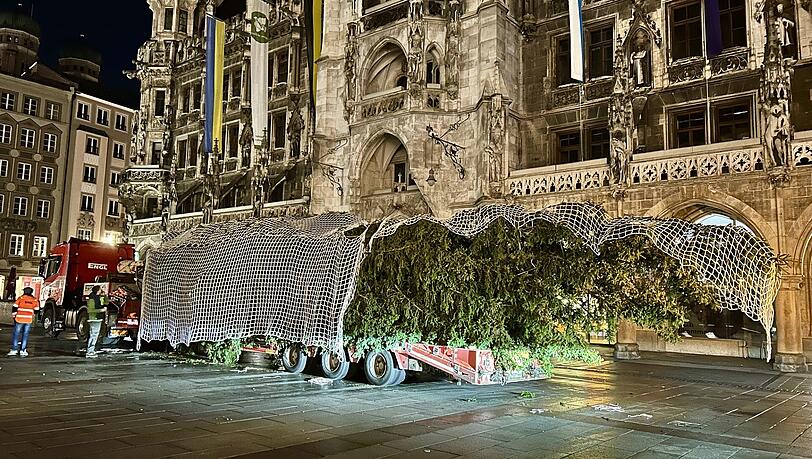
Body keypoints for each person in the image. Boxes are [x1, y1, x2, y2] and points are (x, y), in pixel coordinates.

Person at [8, 287, 39, 357]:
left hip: (19, 319)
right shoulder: (34, 300)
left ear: (24, 292)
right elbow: (36, 310)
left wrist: (14, 316)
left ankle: (14, 350)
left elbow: (14, 308)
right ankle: (23, 350)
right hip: (28, 320)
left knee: (16, 334)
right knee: (25, 335)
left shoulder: (21, 298)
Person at [85, 286, 107, 358]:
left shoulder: (98, 298)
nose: (101, 290)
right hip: (94, 318)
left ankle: (91, 350)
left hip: (98, 318)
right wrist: (102, 310)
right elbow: (90, 310)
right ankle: (90, 351)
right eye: (100, 289)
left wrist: (105, 296)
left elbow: (106, 302)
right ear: (97, 290)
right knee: (93, 335)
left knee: (95, 335)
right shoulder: (92, 299)